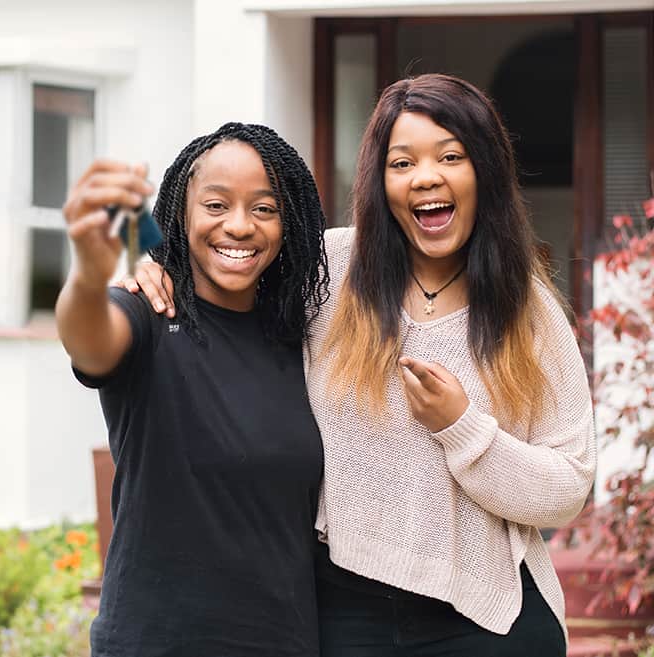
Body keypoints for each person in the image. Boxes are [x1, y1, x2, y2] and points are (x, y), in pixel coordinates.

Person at [126, 74, 596, 656]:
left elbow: (569, 486)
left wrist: (465, 429)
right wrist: (162, 269)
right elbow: (231, 271)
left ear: (485, 172)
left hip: (489, 617)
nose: (426, 176)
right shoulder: (326, 273)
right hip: (343, 615)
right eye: (402, 163)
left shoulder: (526, 307)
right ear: (382, 181)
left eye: (451, 156)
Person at [56, 122, 330, 657]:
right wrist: (89, 273)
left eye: (264, 209)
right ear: (181, 215)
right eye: (216, 205)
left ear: (288, 223)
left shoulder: (303, 335)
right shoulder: (149, 313)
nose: (239, 226)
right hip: (156, 643)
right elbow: (87, 342)